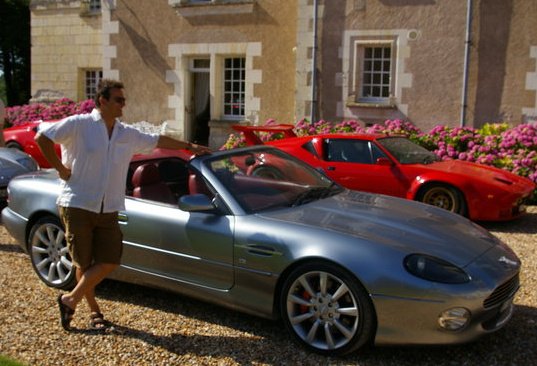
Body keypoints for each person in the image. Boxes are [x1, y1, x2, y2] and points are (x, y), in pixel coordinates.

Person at [35, 79, 210, 331]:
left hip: (109, 207)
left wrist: (189, 146)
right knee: (82, 264)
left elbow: (156, 139)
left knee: (110, 260)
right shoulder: (79, 125)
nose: (123, 104)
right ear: (102, 100)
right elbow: (43, 138)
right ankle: (95, 313)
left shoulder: (125, 133)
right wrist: (61, 169)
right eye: (118, 100)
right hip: (77, 203)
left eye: (124, 100)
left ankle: (70, 299)